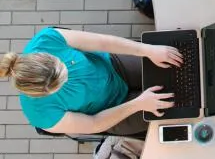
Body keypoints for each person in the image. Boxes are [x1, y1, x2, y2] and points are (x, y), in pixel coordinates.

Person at [0, 27, 183, 135]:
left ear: (46, 55)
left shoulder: (46, 39)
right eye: (59, 85)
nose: (68, 78)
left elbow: (103, 42)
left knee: (175, 65)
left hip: (113, 66)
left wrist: (147, 50)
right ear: (41, 93)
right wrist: (138, 104)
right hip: (111, 112)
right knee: (178, 105)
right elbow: (94, 123)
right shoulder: (39, 114)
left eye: (63, 67)